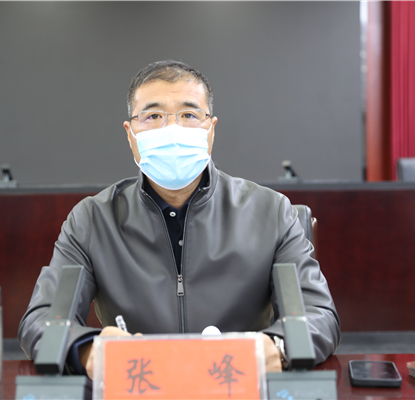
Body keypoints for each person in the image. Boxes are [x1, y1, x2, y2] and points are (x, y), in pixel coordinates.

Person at [18, 60, 341, 378]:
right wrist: (88, 350)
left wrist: (278, 347)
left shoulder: (271, 211)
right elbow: (41, 321)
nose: (172, 130)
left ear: (210, 129)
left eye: (188, 115)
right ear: (130, 134)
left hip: (237, 382)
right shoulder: (92, 219)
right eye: (153, 116)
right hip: (137, 384)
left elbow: (319, 316)